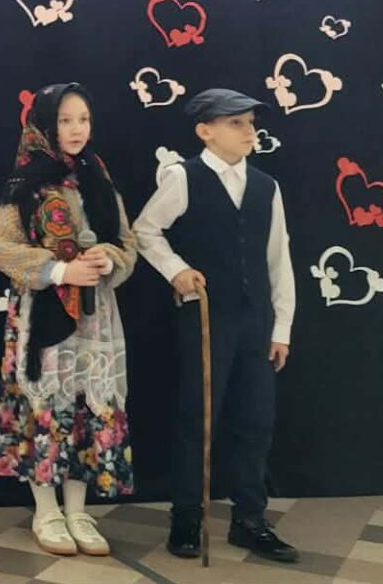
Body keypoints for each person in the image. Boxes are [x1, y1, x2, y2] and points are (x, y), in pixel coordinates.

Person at [132, 88, 299, 563]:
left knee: (256, 419)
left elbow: (279, 257)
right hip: (206, 317)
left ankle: (250, 518)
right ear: (205, 131)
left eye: (251, 123)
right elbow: (145, 230)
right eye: (236, 123)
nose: (249, 132)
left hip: (256, 321)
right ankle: (187, 514)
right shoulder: (183, 178)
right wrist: (177, 270)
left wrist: (281, 327)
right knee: (197, 417)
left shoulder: (266, 186)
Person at [0, 84, 139, 557]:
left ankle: (78, 510)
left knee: (88, 407)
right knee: (48, 407)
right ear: (45, 125)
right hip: (44, 315)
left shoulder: (99, 175)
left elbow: (127, 243)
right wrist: (59, 271)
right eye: (66, 120)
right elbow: (4, 249)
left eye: (84, 120)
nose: (76, 130)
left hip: (96, 317)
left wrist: (108, 259)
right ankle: (46, 510)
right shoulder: (25, 181)